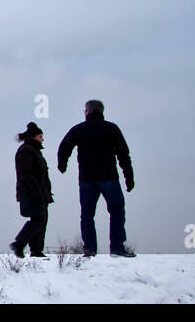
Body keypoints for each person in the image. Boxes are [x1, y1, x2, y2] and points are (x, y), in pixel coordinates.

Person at [57, 99, 136, 258]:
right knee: (117, 211)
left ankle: (90, 249)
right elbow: (123, 154)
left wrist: (62, 164)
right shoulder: (112, 129)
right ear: (102, 111)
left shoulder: (79, 129)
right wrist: (129, 177)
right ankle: (117, 248)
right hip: (109, 178)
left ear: (87, 112)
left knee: (87, 214)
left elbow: (64, 147)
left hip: (87, 180)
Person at [10, 122, 52, 259]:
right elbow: (26, 173)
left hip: (39, 192)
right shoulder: (26, 150)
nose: (42, 139)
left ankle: (36, 250)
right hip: (32, 193)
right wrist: (36, 191)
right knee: (39, 219)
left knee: (41, 219)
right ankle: (19, 244)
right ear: (33, 137)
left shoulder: (34, 151)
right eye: (40, 136)